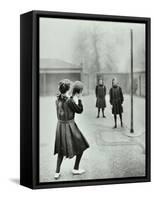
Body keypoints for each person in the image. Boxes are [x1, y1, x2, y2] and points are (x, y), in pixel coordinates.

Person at [54, 79, 89, 179]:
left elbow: (67, 103)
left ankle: (57, 172)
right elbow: (79, 110)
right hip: (70, 126)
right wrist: (80, 98)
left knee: (61, 150)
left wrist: (72, 97)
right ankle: (75, 168)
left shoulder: (58, 99)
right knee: (81, 145)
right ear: (68, 89)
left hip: (60, 126)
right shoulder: (69, 101)